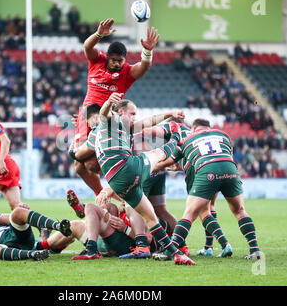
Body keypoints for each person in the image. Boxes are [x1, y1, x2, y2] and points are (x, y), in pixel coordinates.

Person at [73, 92, 195, 265]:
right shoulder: (111, 120)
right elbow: (103, 114)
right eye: (132, 113)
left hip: (116, 181)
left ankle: (176, 254)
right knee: (157, 155)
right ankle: (177, 137)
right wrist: (108, 102)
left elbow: (149, 121)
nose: (135, 117)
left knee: (151, 217)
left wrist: (168, 114)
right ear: (120, 112)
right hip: (127, 168)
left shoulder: (115, 129)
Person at [152, 118, 261, 262]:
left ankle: (169, 252)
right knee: (240, 210)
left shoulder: (188, 139)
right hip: (230, 168)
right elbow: (227, 155)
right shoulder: (223, 135)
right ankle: (255, 250)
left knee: (190, 212)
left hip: (207, 170)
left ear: (194, 128)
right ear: (208, 128)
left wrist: (152, 166)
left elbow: (170, 161)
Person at [73, 17, 160, 196]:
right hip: (87, 117)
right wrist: (98, 34)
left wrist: (147, 52)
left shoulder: (126, 72)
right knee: (79, 167)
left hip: (107, 121)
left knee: (90, 163)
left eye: (120, 60)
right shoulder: (97, 61)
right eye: (114, 60)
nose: (117, 64)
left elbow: (143, 67)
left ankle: (122, 192)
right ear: (108, 57)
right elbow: (87, 47)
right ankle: (102, 196)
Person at [0, 196, 71, 261]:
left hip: (15, 235)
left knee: (17, 212)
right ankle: (33, 254)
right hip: (5, 246)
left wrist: (23, 214)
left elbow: (10, 217)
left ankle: (58, 226)